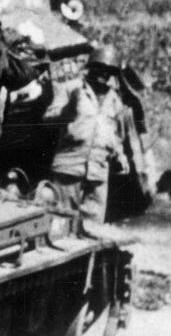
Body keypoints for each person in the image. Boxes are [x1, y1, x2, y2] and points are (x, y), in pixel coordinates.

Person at [48, 46, 128, 222]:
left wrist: (120, 154)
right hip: (69, 166)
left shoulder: (114, 99)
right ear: (91, 66)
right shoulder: (70, 89)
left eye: (109, 71)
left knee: (92, 228)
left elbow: (116, 133)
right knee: (59, 223)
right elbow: (49, 118)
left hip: (98, 171)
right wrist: (68, 110)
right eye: (100, 67)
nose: (103, 74)